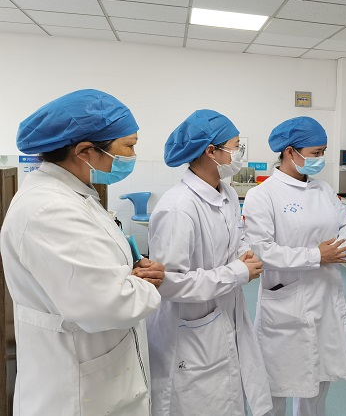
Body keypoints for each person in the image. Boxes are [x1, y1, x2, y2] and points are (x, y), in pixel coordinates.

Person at [0, 89, 164, 415]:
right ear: (85, 151)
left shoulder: (75, 195)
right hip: (75, 391)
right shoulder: (49, 210)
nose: (133, 154)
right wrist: (146, 283)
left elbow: (96, 275)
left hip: (99, 376)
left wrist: (133, 271)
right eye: (129, 146)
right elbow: (107, 304)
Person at [145, 110, 272, 416]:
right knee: (198, 402)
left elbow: (237, 237)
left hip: (224, 314)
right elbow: (168, 284)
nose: (240, 153)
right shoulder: (178, 208)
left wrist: (245, 254)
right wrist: (237, 272)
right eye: (236, 146)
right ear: (211, 151)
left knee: (227, 397)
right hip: (190, 330)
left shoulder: (225, 192)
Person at [242, 116, 346, 416]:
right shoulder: (263, 195)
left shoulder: (324, 190)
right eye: (315, 152)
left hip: (326, 295)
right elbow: (262, 251)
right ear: (290, 152)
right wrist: (316, 256)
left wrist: (339, 246)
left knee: (318, 382)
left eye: (323, 152)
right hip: (286, 299)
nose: (320, 159)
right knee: (277, 383)